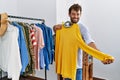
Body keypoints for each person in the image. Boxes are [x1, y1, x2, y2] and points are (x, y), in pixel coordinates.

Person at [53, 4, 113, 80]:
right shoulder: (65, 26)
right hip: (66, 65)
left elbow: (89, 43)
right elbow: (58, 34)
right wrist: (54, 28)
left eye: (78, 14)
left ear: (80, 14)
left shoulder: (82, 28)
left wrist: (101, 56)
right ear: (69, 14)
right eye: (73, 14)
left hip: (77, 67)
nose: (76, 16)